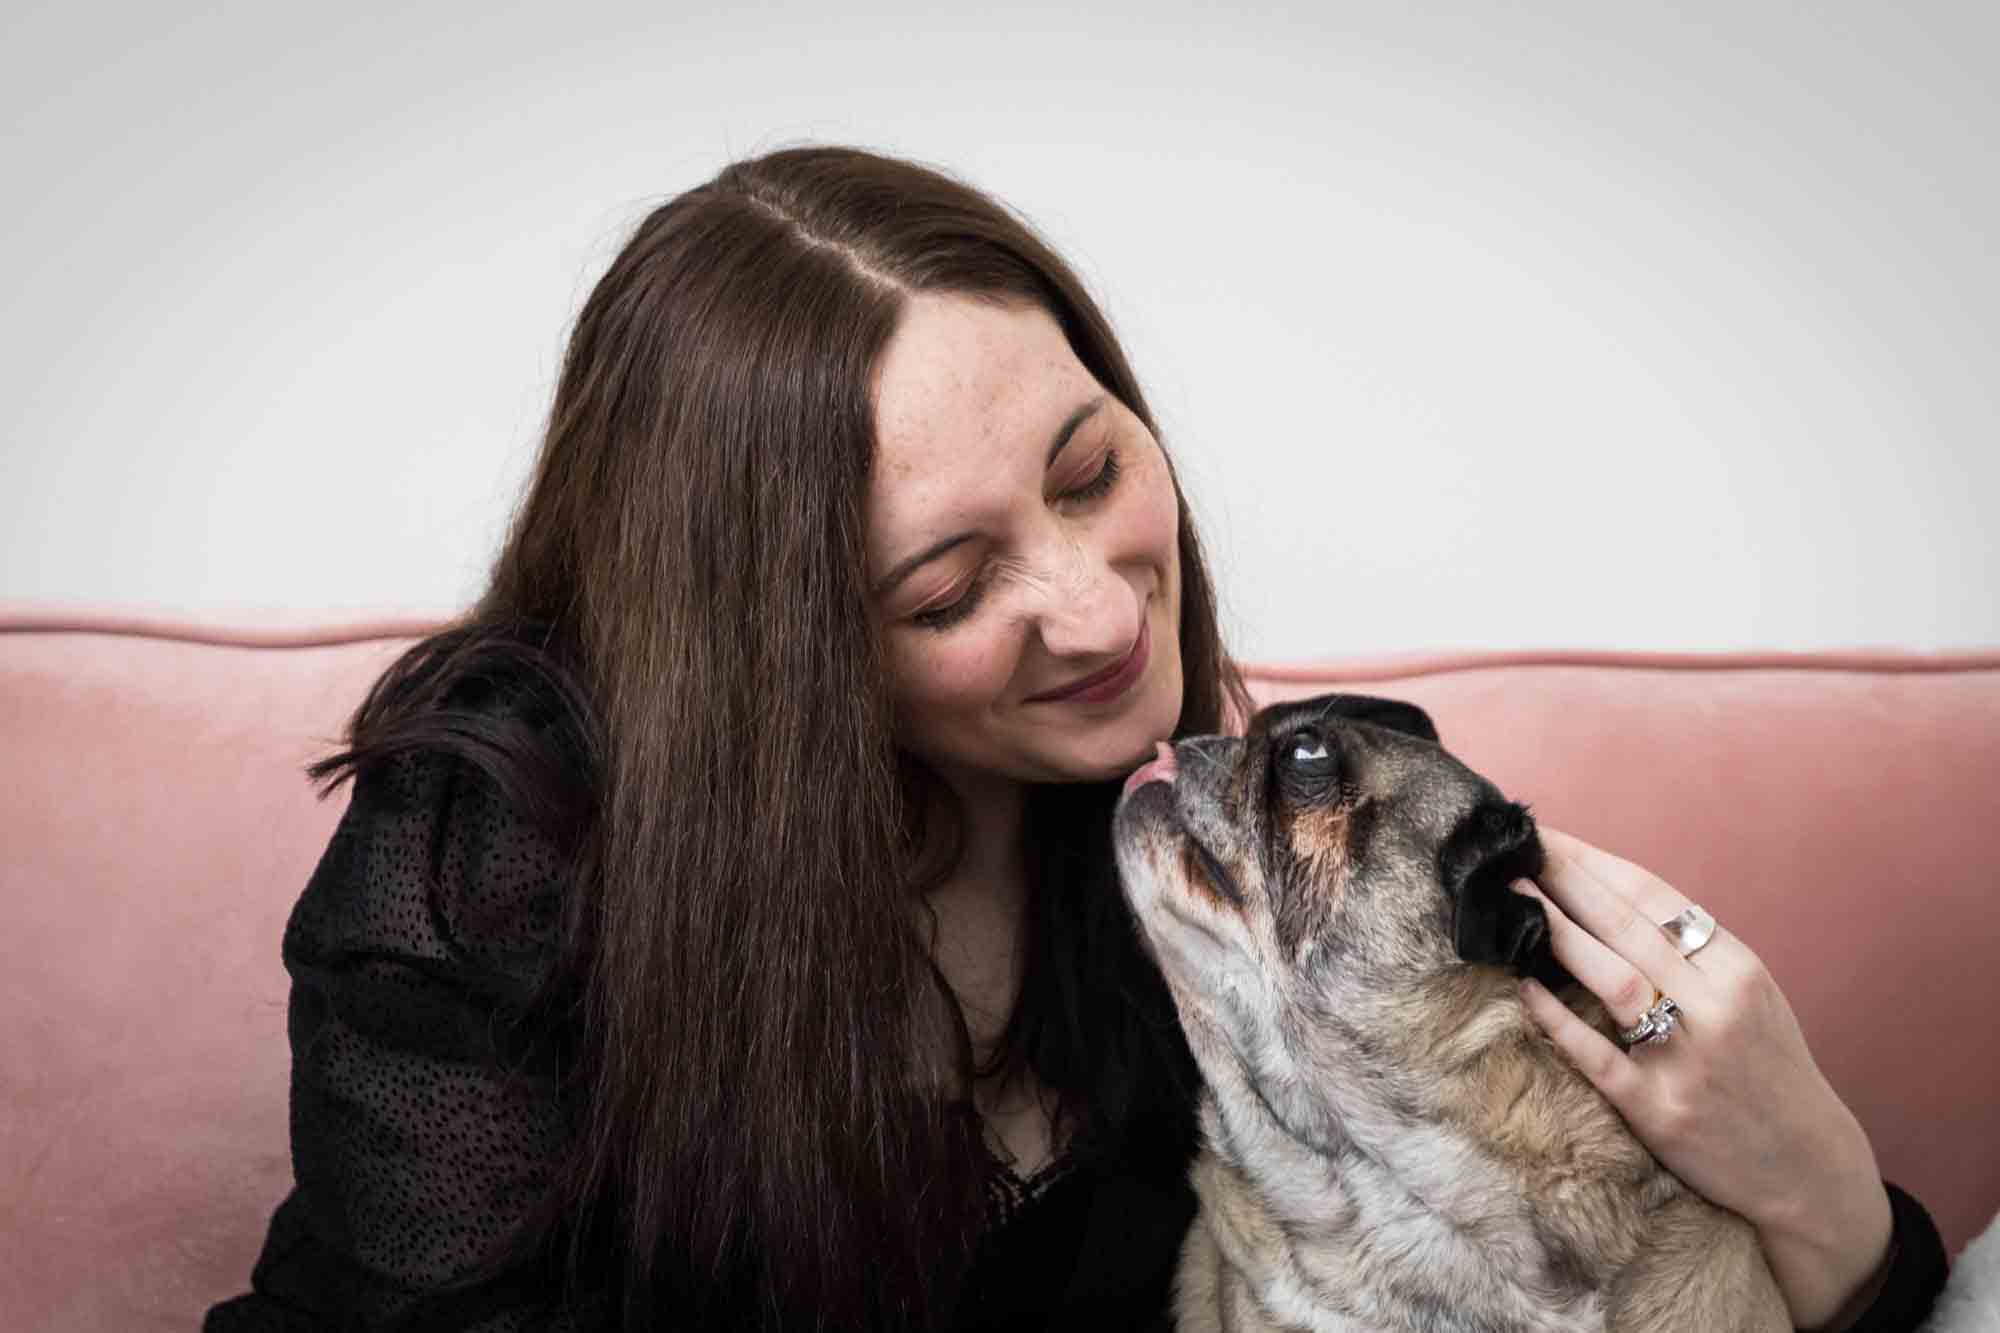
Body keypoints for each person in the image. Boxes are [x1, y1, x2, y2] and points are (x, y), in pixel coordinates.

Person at [204, 144, 1947, 1332]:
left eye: (1093, 470)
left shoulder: (1191, 842)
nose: (1106, 614)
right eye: (954, 584)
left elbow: (1597, 1285)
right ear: (778, 655)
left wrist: (1803, 1162)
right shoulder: (496, 850)